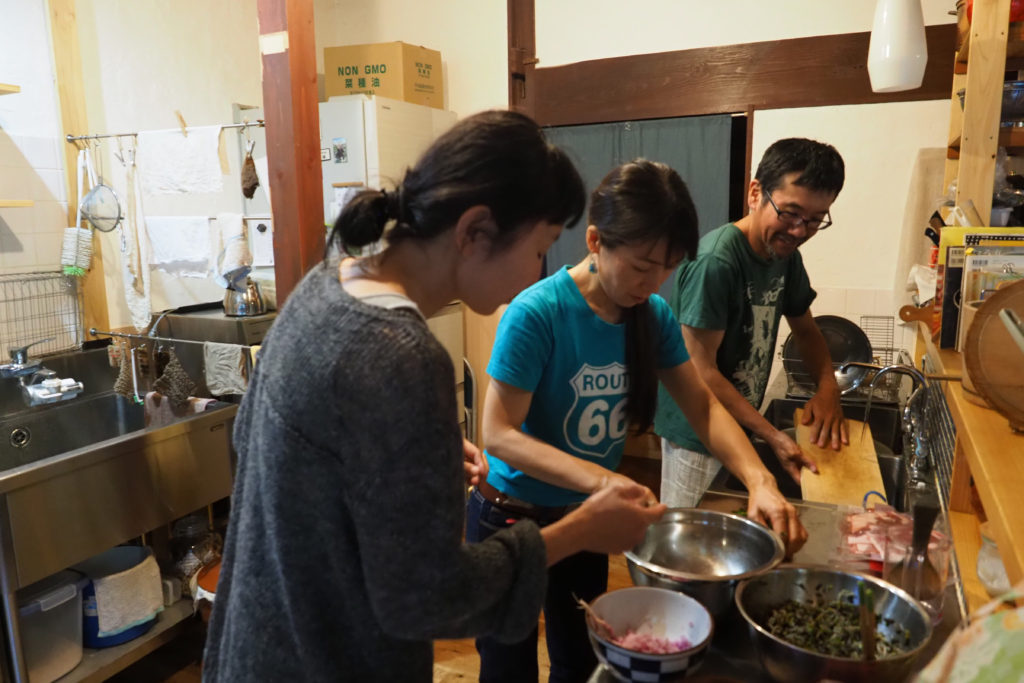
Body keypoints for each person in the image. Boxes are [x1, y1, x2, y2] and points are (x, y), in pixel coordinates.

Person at [202, 111, 668, 682]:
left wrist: (417, 455)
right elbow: (426, 597)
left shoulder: (325, 284)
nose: (537, 272)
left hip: (256, 645)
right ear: (475, 231)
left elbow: (271, 447)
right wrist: (582, 531)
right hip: (327, 660)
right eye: (539, 248)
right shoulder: (403, 355)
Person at [469, 159, 807, 683]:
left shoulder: (651, 316)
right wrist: (607, 480)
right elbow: (499, 434)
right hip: (511, 516)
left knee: (579, 658)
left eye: (667, 267)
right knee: (507, 665)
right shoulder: (536, 313)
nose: (653, 283)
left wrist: (759, 480)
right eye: (642, 264)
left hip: (586, 514)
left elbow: (704, 406)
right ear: (596, 240)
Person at [654, 137, 847, 509]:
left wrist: (827, 389)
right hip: (696, 430)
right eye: (790, 213)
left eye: (814, 220)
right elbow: (701, 371)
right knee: (689, 547)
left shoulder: (784, 255)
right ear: (755, 193)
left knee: (723, 540)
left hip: (736, 421)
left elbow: (806, 329)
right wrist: (773, 436)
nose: (798, 231)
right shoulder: (717, 261)